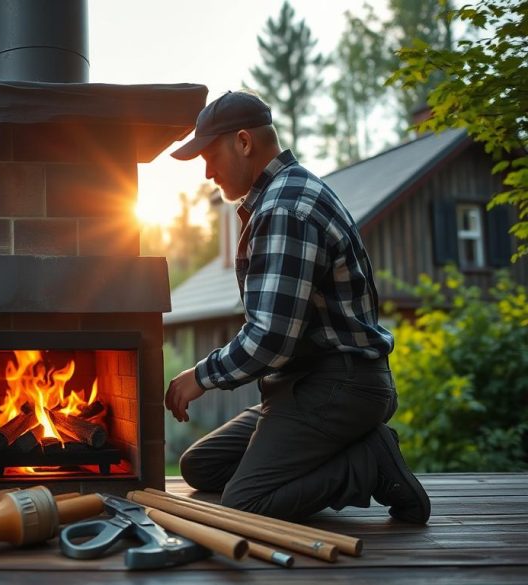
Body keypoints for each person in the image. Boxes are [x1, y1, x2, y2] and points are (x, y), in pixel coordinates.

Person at [164, 90, 430, 523]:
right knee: (201, 466)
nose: (208, 173)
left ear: (244, 142)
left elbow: (271, 338)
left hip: (339, 386)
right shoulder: (283, 195)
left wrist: (201, 376)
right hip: (304, 383)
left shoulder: (286, 209)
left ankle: (369, 463)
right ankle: (340, 450)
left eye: (210, 157)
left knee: (245, 505)